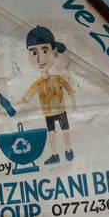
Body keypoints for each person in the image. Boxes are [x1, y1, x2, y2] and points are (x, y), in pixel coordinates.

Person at [18, 25, 75, 165]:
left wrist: (74, 103)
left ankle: (68, 150)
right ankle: (55, 154)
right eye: (33, 53)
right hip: (48, 113)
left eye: (45, 50)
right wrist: (16, 103)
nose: (39, 59)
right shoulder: (38, 83)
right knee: (52, 133)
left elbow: (70, 89)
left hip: (61, 111)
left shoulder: (57, 78)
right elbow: (27, 96)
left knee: (65, 130)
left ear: (54, 53)